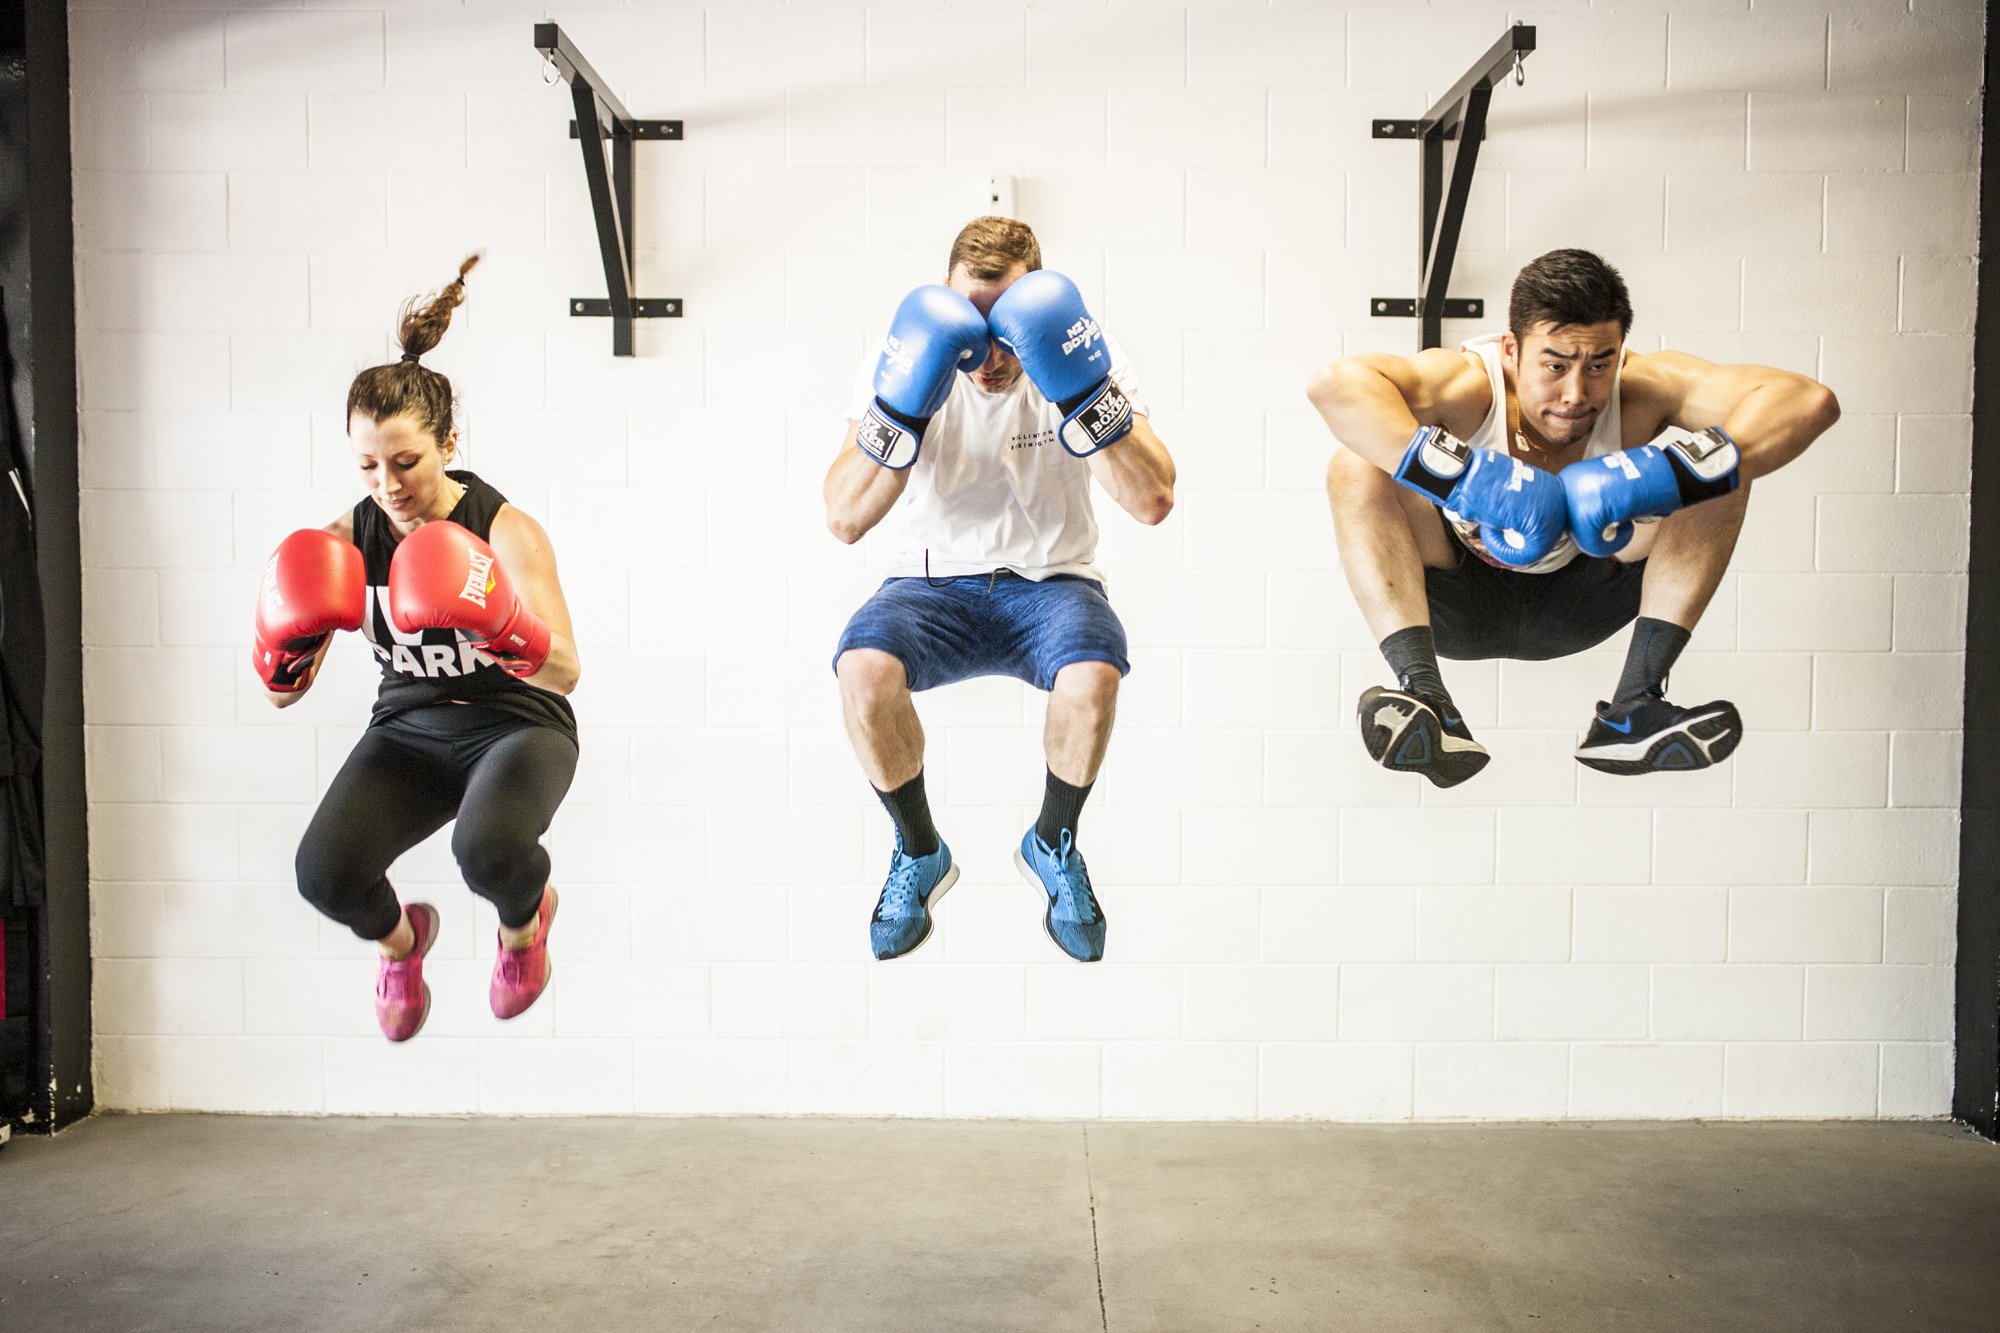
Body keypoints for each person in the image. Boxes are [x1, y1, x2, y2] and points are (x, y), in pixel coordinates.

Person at [1309, 248, 1840, 786]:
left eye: (1598, 366)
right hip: (1454, 600)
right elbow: (1335, 387)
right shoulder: (1469, 385)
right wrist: (1466, 482)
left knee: (1723, 465)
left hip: (1585, 600)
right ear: (1513, 349)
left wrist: (1668, 474)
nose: (1576, 394)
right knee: (1356, 464)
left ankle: (1635, 707)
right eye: (1556, 365)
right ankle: (1426, 699)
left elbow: (1807, 401)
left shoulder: (1645, 387)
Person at [824, 217, 1177, 963]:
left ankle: (1053, 840)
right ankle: (919, 850)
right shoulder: (907, 357)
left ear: (1039, 309)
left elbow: (1152, 500)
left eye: (1008, 329)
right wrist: (903, 405)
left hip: (1054, 583)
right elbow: (844, 516)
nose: (988, 355)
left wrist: (1079, 393)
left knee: (1092, 676)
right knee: (861, 670)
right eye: (972, 327)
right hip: (928, 584)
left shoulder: (1080, 352)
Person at [253, 256, 582, 1041]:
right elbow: (280, 693)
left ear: (447, 443)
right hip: (407, 732)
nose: (388, 483)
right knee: (324, 873)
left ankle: (525, 924)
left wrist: (501, 622)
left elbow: (566, 670)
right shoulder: (343, 542)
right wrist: (287, 641)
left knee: (488, 849)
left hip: (518, 728)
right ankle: (404, 945)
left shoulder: (503, 529)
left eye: (406, 461)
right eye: (368, 465)